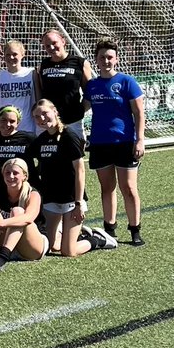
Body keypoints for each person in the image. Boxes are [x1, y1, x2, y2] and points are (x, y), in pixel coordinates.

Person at [27, 99, 115, 256]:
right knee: (52, 247)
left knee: (69, 252)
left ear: (55, 112)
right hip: (51, 198)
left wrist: (78, 203)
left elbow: (80, 171)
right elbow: (28, 161)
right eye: (37, 116)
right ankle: (75, 234)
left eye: (45, 113)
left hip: (71, 199)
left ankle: (97, 239)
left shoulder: (69, 136)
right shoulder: (40, 141)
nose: (41, 119)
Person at [85, 39, 147, 246]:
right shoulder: (92, 86)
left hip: (124, 142)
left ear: (116, 59)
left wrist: (139, 141)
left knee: (128, 188)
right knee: (107, 188)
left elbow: (139, 113)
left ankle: (135, 229)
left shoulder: (127, 82)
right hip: (100, 143)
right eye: (102, 57)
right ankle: (109, 229)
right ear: (96, 60)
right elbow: (81, 109)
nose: (106, 61)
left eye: (109, 57)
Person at [0, 157, 47, 272]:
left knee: (18, 212)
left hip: (32, 247)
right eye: (7, 173)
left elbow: (28, 218)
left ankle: (2, 258)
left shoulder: (33, 194)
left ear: (25, 176)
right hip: (6, 243)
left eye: (15, 173)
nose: (11, 176)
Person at [36, 30, 93, 138]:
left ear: (63, 41)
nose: (51, 48)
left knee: (75, 153)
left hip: (73, 120)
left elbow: (88, 92)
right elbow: (41, 91)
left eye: (54, 43)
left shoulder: (80, 63)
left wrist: (81, 110)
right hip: (49, 121)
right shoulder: (44, 65)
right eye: (47, 46)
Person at [0, 106, 36, 194]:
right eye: (4, 120)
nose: (7, 124)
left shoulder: (28, 138)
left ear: (18, 123)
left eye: (12, 121)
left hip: (24, 189)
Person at [0, 40, 37, 133]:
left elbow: (38, 99)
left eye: (15, 54)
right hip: (6, 126)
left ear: (22, 54)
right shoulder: (1, 76)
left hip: (27, 125)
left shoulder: (31, 73)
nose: (11, 57)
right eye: (8, 54)